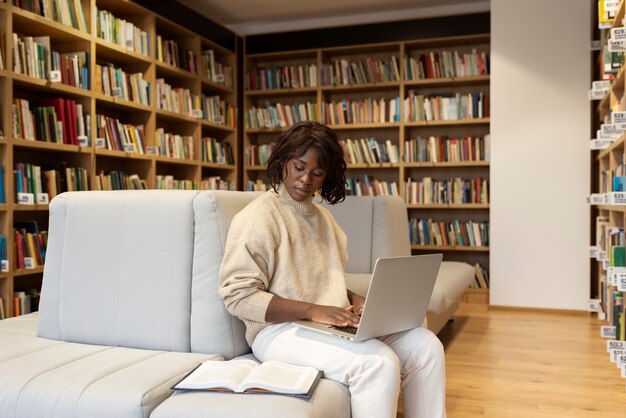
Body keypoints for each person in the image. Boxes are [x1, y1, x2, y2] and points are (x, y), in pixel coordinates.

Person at [218, 121, 446, 418]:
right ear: (282, 160)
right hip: (277, 333)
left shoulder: (325, 220)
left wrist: (359, 300)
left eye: (317, 173)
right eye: (299, 167)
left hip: (326, 325)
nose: (305, 180)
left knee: (425, 345)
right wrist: (314, 310)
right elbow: (238, 297)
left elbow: (325, 280)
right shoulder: (258, 217)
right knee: (378, 363)